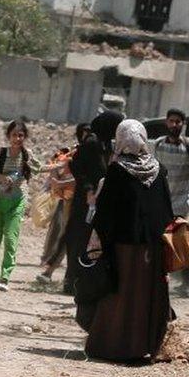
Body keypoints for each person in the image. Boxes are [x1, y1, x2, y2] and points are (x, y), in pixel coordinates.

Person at [83, 119, 174, 362]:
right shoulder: (159, 169)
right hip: (152, 249)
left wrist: (98, 239)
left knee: (120, 295)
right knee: (145, 296)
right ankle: (142, 348)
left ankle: (113, 347)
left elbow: (106, 212)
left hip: (122, 248)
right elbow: (166, 211)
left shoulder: (117, 170)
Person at [63, 111, 124, 294]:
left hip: (99, 199)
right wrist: (89, 189)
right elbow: (76, 167)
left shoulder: (106, 143)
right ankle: (71, 280)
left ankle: (84, 279)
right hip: (86, 200)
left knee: (92, 241)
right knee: (79, 239)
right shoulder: (92, 142)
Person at [150, 108, 189, 294]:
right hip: (160, 202)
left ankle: (185, 283)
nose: (174, 125)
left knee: (181, 241)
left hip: (181, 203)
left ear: (183, 124)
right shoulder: (157, 144)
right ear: (166, 122)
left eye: (178, 122)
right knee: (158, 241)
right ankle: (159, 277)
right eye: (171, 121)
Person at [0, 120, 41, 289]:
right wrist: (0, 177)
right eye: (14, 135)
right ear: (8, 136)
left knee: (11, 239)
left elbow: (38, 168)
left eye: (21, 135)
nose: (17, 138)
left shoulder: (27, 155)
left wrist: (60, 166)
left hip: (17, 202)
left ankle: (5, 277)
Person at [36, 140, 79, 290]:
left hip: (76, 202)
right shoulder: (67, 157)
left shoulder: (81, 158)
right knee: (62, 234)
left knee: (67, 236)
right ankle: (50, 268)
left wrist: (59, 183)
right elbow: (55, 170)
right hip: (66, 200)